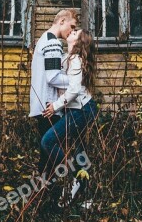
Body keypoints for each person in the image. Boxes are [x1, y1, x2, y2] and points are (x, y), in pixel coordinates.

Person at [41, 28, 99, 208]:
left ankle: (71, 178)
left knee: (48, 141)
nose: (71, 32)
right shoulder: (70, 57)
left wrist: (54, 106)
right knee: (81, 154)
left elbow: (73, 90)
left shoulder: (75, 59)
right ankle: (87, 197)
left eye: (75, 32)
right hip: (85, 109)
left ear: (80, 42)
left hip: (81, 111)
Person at [29, 9, 77, 177]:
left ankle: (42, 193)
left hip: (41, 105)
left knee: (46, 153)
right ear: (62, 21)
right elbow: (53, 77)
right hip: (49, 107)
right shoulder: (53, 43)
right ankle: (50, 191)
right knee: (49, 154)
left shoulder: (45, 39)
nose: (71, 31)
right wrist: (76, 82)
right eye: (71, 26)